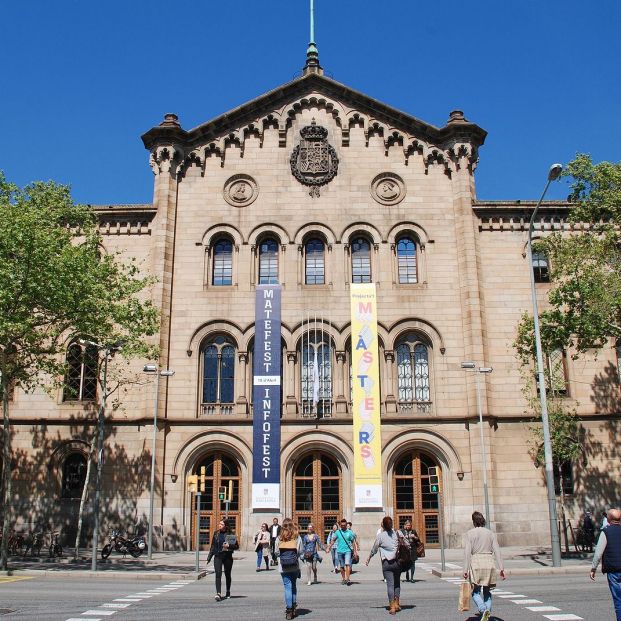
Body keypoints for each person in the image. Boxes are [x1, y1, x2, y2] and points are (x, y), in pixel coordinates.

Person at [463, 511, 506, 621]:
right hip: (489, 562)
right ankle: (487, 612)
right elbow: (497, 551)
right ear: (483, 520)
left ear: (473, 521)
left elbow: (467, 553)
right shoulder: (490, 533)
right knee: (487, 591)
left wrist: (465, 570)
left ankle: (483, 609)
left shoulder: (470, 533)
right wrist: (501, 568)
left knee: (476, 592)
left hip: (476, 562)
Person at [366, 515, 410, 615]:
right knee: (397, 583)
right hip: (397, 562)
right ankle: (397, 603)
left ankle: (392, 607)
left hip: (386, 563)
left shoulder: (380, 536)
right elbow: (407, 544)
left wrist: (369, 558)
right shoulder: (397, 533)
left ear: (384, 526)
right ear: (391, 524)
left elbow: (374, 549)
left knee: (390, 584)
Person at [590, 508, 621, 621]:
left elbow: (598, 553)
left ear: (609, 519)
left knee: (618, 601)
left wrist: (593, 568)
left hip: (613, 571)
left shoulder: (606, 532)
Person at [276, 517, 303, 620]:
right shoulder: (297, 537)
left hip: (283, 566)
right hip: (295, 565)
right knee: (293, 585)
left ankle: (289, 611)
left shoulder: (279, 538)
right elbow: (300, 552)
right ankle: (294, 607)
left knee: (287, 587)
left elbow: (276, 552)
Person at [206, 519, 239, 601]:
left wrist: (229, 546)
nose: (219, 525)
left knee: (227, 575)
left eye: (221, 524)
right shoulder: (216, 533)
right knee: (218, 574)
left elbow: (236, 546)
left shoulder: (231, 534)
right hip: (218, 556)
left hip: (227, 557)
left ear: (225, 525)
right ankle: (218, 593)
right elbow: (213, 546)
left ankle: (228, 591)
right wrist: (209, 557)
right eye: (219, 523)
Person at [327, 517, 358, 586]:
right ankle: (343, 579)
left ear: (346, 525)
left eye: (344, 525)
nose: (343, 526)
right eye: (342, 525)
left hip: (347, 551)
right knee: (341, 566)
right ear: (340, 525)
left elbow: (353, 542)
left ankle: (347, 578)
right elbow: (333, 540)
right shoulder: (338, 532)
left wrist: (355, 552)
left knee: (347, 564)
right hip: (340, 551)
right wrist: (329, 547)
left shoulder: (349, 532)